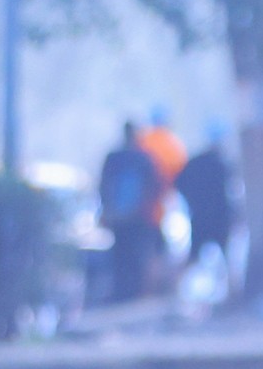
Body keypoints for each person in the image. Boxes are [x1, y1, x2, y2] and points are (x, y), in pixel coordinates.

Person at [95, 119, 166, 303]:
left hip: (118, 217)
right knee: (136, 255)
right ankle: (135, 293)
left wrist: (107, 210)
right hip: (139, 216)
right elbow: (155, 185)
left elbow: (103, 185)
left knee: (120, 254)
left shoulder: (113, 158)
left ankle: (121, 292)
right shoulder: (144, 158)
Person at [175, 130, 239, 299]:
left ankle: (175, 292)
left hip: (200, 216)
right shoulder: (223, 164)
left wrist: (192, 201)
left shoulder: (195, 163)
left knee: (193, 256)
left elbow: (179, 183)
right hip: (220, 217)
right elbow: (233, 192)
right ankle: (233, 293)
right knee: (226, 258)